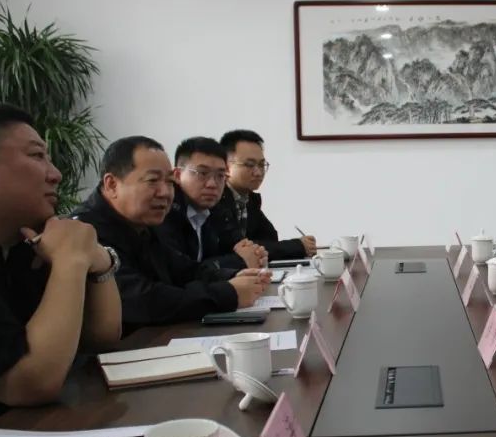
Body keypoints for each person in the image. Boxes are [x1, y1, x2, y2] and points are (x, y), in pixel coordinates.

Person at [0, 102, 121, 437]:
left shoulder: (17, 241)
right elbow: (29, 382)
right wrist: (71, 260)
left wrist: (100, 262)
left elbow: (100, 335)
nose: (56, 174)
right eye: (37, 155)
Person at [74, 136, 269, 330]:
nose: (165, 193)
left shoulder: (142, 222)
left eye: (169, 181)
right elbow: (140, 300)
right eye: (152, 180)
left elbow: (183, 270)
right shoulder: (85, 232)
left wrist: (235, 275)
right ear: (111, 184)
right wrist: (228, 293)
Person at [156, 136, 268, 270]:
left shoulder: (216, 209)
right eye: (202, 173)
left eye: (220, 175)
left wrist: (256, 254)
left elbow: (241, 246)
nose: (212, 184)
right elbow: (180, 271)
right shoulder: (164, 211)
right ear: (178, 175)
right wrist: (241, 260)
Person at [217, 129, 316, 261]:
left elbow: (270, 239)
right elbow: (240, 248)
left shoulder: (249, 199)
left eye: (261, 164)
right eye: (249, 165)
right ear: (226, 168)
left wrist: (298, 245)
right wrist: (298, 246)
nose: (258, 172)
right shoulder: (215, 198)